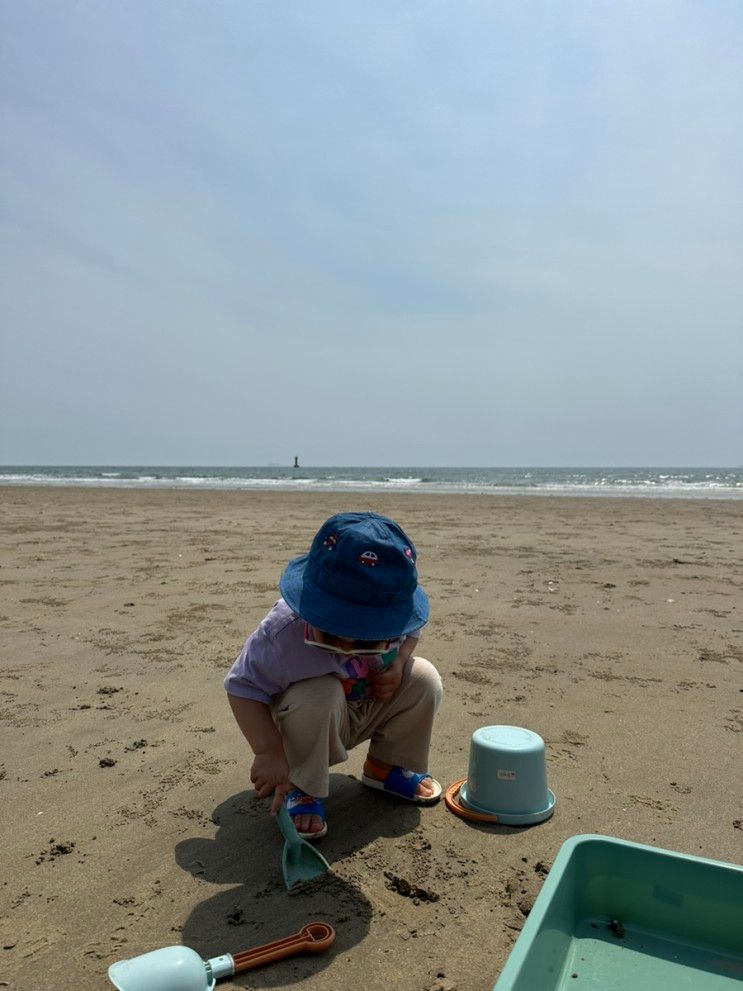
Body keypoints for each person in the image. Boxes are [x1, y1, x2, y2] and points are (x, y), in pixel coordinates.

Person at [224, 511, 443, 840]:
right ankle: (302, 785)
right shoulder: (284, 633)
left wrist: (398, 661)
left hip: (366, 702)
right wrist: (268, 751)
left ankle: (386, 766)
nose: (345, 645)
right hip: (305, 723)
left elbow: (413, 632)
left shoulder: (398, 618)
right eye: (332, 629)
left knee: (424, 678)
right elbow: (242, 687)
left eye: (366, 637)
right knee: (320, 694)